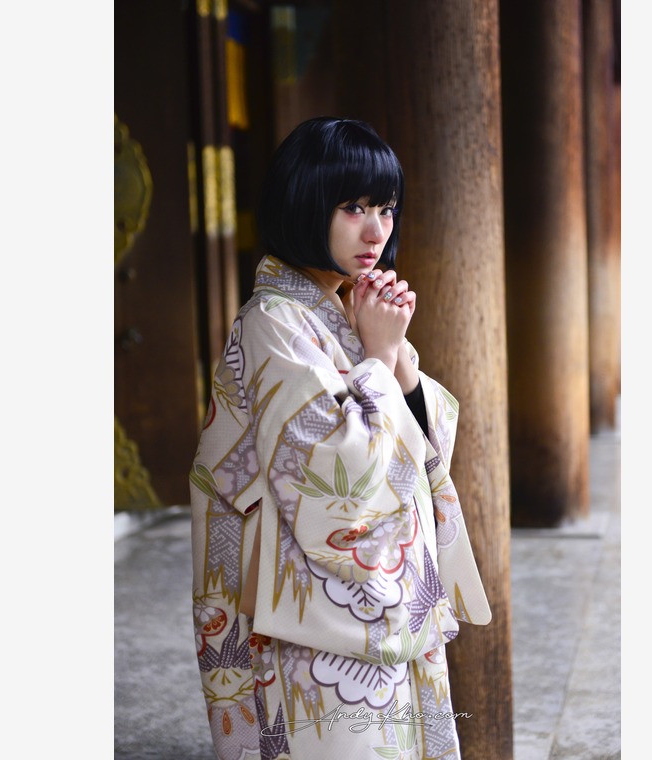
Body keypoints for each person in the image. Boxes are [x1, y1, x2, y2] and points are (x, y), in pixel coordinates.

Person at [191, 117, 490, 759]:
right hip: (309, 620)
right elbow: (336, 491)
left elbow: (419, 451)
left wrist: (400, 365)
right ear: (305, 202)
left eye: (385, 207)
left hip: (371, 605)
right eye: (352, 207)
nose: (376, 230)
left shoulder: (338, 307)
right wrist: (380, 360)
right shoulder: (272, 322)